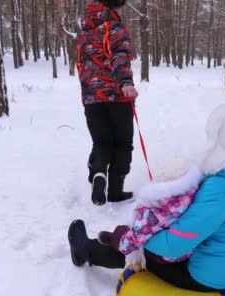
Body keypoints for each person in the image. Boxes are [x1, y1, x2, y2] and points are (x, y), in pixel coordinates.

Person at [68, 104, 225, 292]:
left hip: (205, 277)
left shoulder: (221, 189)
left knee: (143, 246)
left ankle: (87, 251)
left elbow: (175, 245)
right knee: (148, 232)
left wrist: (139, 236)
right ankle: (109, 241)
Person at [77, 0, 138, 205]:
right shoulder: (114, 26)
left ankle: (98, 174)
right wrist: (125, 82)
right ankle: (114, 191)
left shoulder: (84, 33)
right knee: (122, 143)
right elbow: (120, 55)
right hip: (117, 96)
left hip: (91, 100)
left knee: (101, 142)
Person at [97, 159, 204, 265]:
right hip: (187, 249)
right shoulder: (191, 195)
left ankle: (115, 240)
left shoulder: (156, 211)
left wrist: (121, 244)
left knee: (134, 232)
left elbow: (139, 235)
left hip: (165, 256)